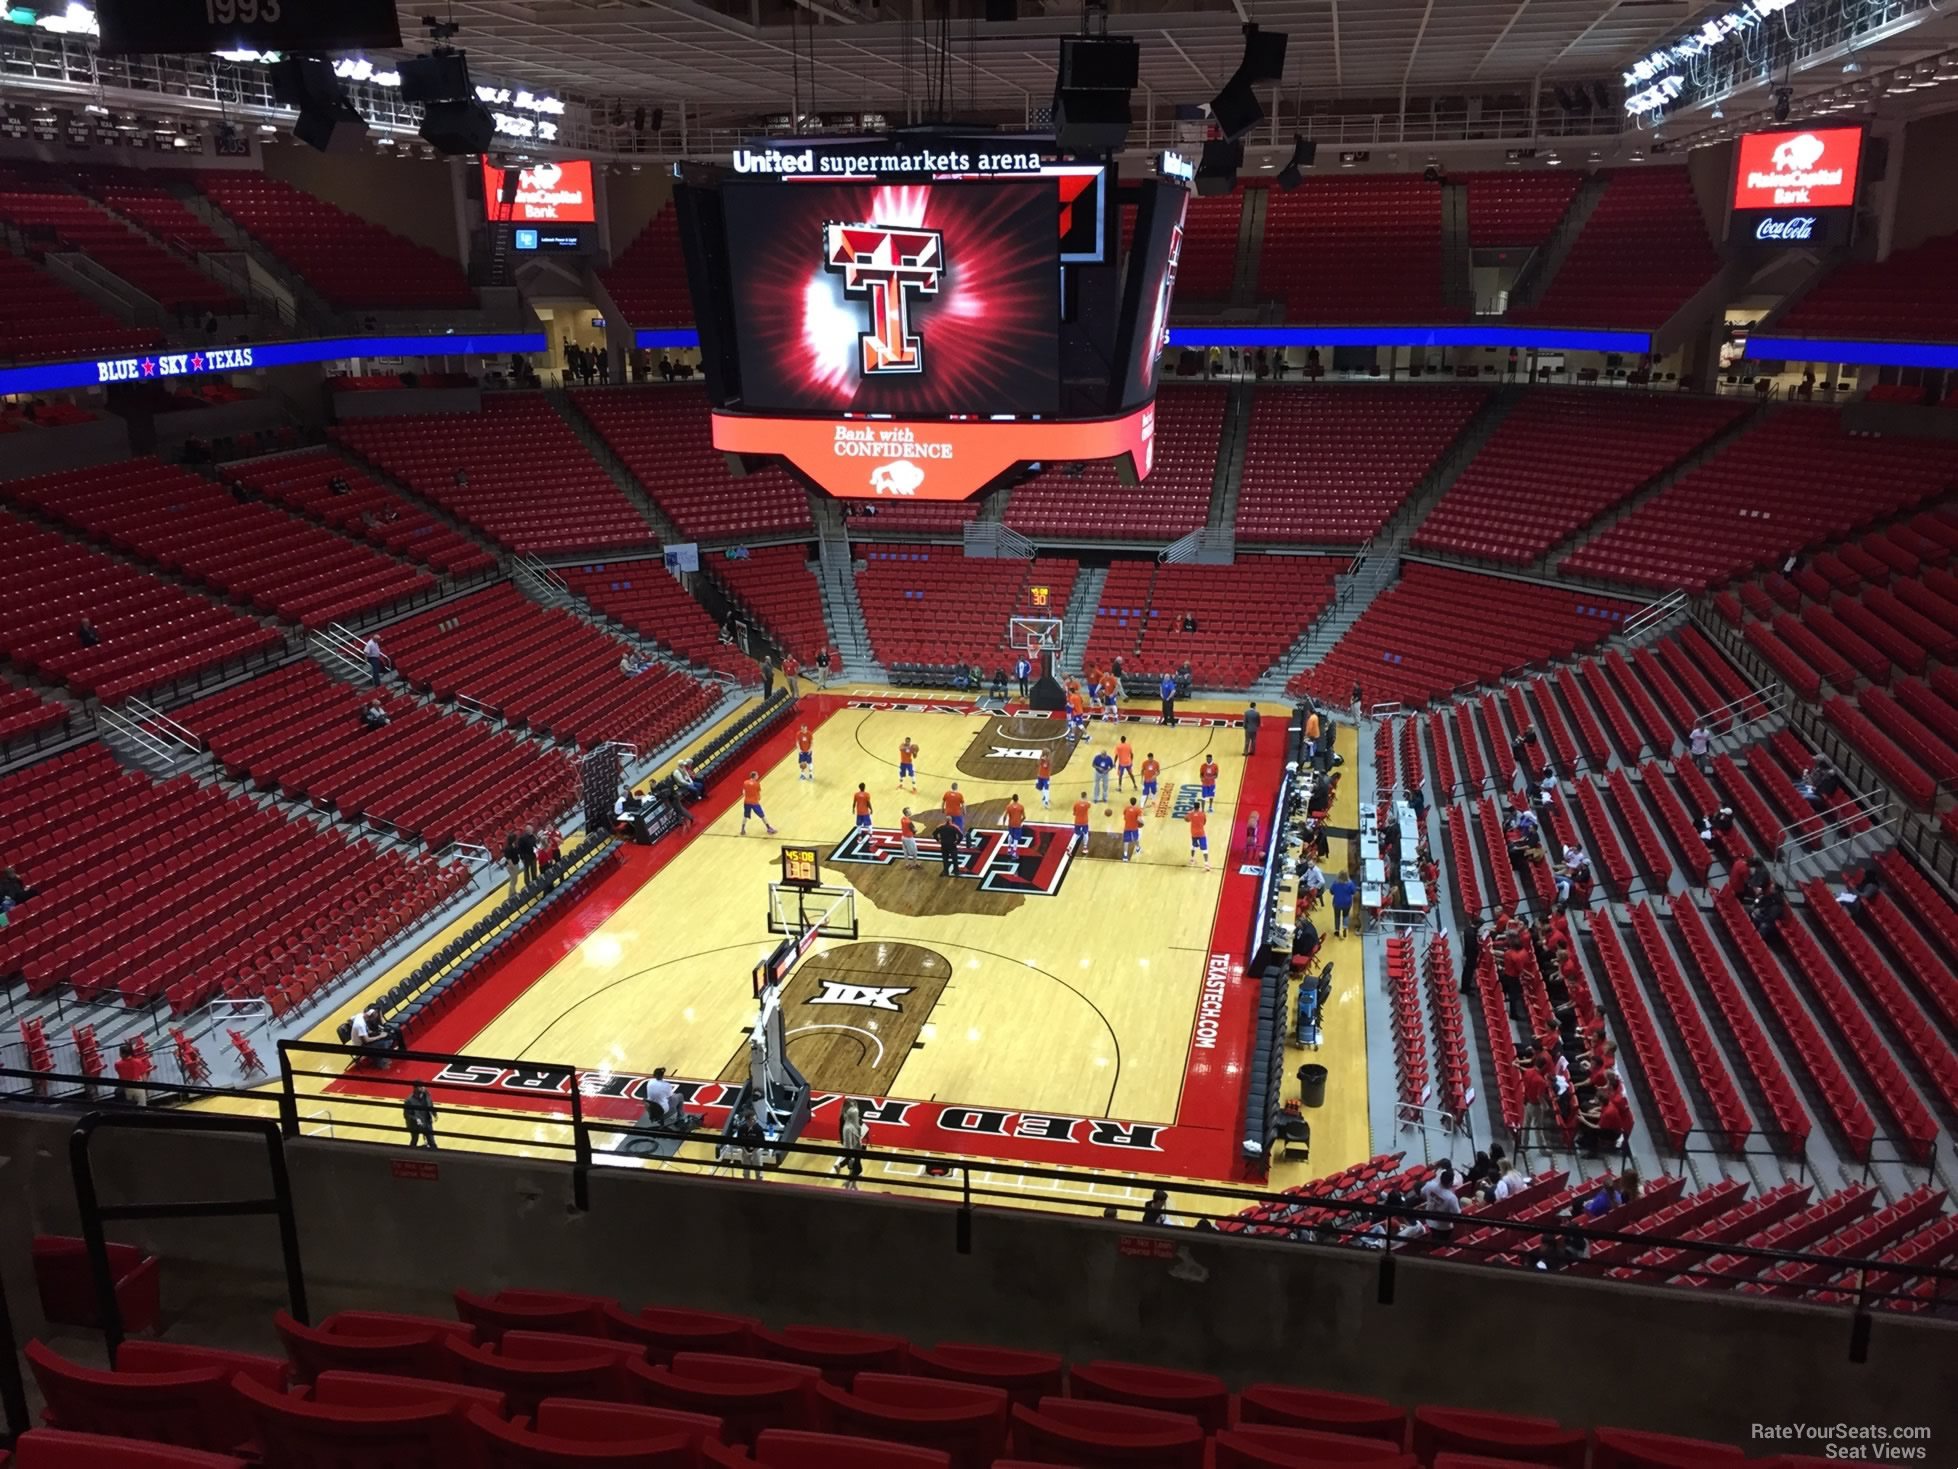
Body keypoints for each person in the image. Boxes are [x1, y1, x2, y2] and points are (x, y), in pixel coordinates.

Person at [1400, 1167, 1461, 1239]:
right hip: (1443, 1226)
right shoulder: (1451, 1198)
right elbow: (1457, 1214)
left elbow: (1422, 1194)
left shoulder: (1430, 1185)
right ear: (1451, 1183)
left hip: (1429, 1220)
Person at [836, 1100, 867, 1189]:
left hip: (855, 1142)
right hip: (851, 1143)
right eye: (852, 1106)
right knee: (854, 1164)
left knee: (855, 1164)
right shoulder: (846, 1121)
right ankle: (849, 1180)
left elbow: (859, 1128)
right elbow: (844, 1133)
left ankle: (852, 1182)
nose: (854, 1107)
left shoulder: (850, 1118)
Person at [114, 1040, 151, 1106]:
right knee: (142, 1107)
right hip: (138, 1085)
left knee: (131, 1107)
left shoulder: (118, 1064)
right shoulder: (138, 1062)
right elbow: (144, 1075)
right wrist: (145, 1087)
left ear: (124, 1054)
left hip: (127, 1087)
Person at [740, 771, 777, 835]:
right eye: (757, 775)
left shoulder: (745, 782)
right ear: (754, 776)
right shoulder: (757, 784)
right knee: (762, 815)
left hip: (746, 802)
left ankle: (742, 829)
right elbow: (758, 793)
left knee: (745, 816)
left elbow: (743, 792)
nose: (758, 776)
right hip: (754, 802)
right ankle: (769, 828)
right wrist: (758, 798)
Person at [735, 1108, 767, 1180]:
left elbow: (762, 1143)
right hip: (745, 1152)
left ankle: (759, 1186)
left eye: (755, 1119)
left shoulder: (759, 1129)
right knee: (746, 1172)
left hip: (756, 1151)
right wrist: (745, 1151)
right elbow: (739, 1142)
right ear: (747, 1120)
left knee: (759, 1172)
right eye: (753, 1119)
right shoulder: (741, 1129)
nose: (755, 1121)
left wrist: (753, 1152)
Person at [404, 1084, 438, 1149]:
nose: (423, 1088)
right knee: (414, 1140)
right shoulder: (409, 1100)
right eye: (420, 1086)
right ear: (415, 1088)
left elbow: (430, 1104)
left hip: (427, 1121)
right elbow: (407, 1115)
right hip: (415, 1124)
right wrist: (416, 1119)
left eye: (423, 1086)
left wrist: (434, 1113)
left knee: (432, 1142)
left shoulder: (426, 1094)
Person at [1329, 869, 1357, 938]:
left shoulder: (1336, 883)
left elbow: (1331, 891)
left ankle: (1337, 930)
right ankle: (1345, 927)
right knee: (1346, 915)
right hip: (1347, 903)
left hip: (1337, 903)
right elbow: (1354, 891)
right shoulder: (1350, 884)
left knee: (1337, 916)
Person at [1184, 802, 1207, 871]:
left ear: (1194, 807)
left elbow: (1186, 819)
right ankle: (1206, 864)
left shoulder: (1191, 814)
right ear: (1199, 807)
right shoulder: (1203, 814)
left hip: (1193, 833)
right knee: (1205, 849)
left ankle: (1192, 859)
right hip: (1201, 833)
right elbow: (1204, 823)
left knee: (1193, 846)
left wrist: (1189, 813)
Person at [502, 831, 522, 900]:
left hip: (515, 864)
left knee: (514, 880)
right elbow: (508, 859)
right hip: (512, 866)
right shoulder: (508, 848)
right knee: (513, 881)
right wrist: (513, 867)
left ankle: (513, 893)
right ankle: (511, 895)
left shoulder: (514, 845)